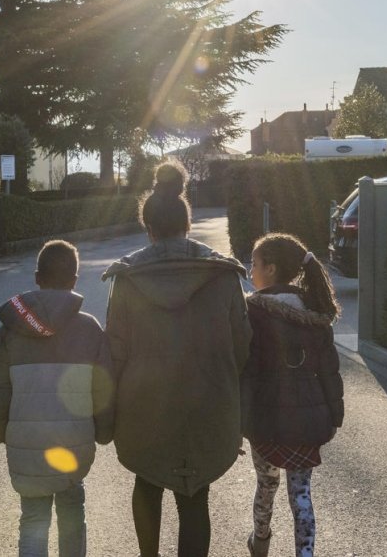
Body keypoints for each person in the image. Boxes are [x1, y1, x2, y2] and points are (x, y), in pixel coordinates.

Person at [102, 162, 252, 557]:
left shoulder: (128, 278)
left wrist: (106, 415)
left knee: (146, 483)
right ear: (188, 224)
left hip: (143, 405)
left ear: (148, 229)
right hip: (208, 404)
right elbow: (242, 346)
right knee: (195, 494)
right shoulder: (222, 275)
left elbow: (114, 351)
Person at [0, 240, 115, 557]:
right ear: (74, 279)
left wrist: (0, 430)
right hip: (73, 443)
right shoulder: (88, 329)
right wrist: (104, 431)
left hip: (26, 442)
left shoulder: (9, 332)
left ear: (37, 277)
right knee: (72, 513)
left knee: (33, 518)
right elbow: (103, 389)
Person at [241, 233, 344, 557]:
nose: (250, 271)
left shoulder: (253, 313)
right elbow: (329, 370)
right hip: (307, 422)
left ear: (270, 269)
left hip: (266, 421)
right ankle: (306, 552)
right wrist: (334, 414)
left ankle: (261, 542)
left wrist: (240, 420)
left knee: (267, 484)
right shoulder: (314, 313)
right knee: (301, 494)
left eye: (254, 264)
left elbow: (248, 373)